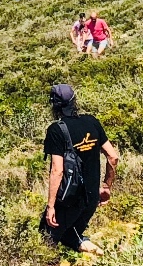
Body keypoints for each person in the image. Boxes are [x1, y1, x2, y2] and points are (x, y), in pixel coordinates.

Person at [39, 82, 117, 254]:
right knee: (70, 234)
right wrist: (106, 187)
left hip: (69, 199)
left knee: (45, 239)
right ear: (75, 101)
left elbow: (57, 170)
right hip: (91, 199)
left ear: (54, 105)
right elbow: (113, 156)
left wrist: (51, 206)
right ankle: (89, 251)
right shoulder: (92, 122)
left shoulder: (57, 130)